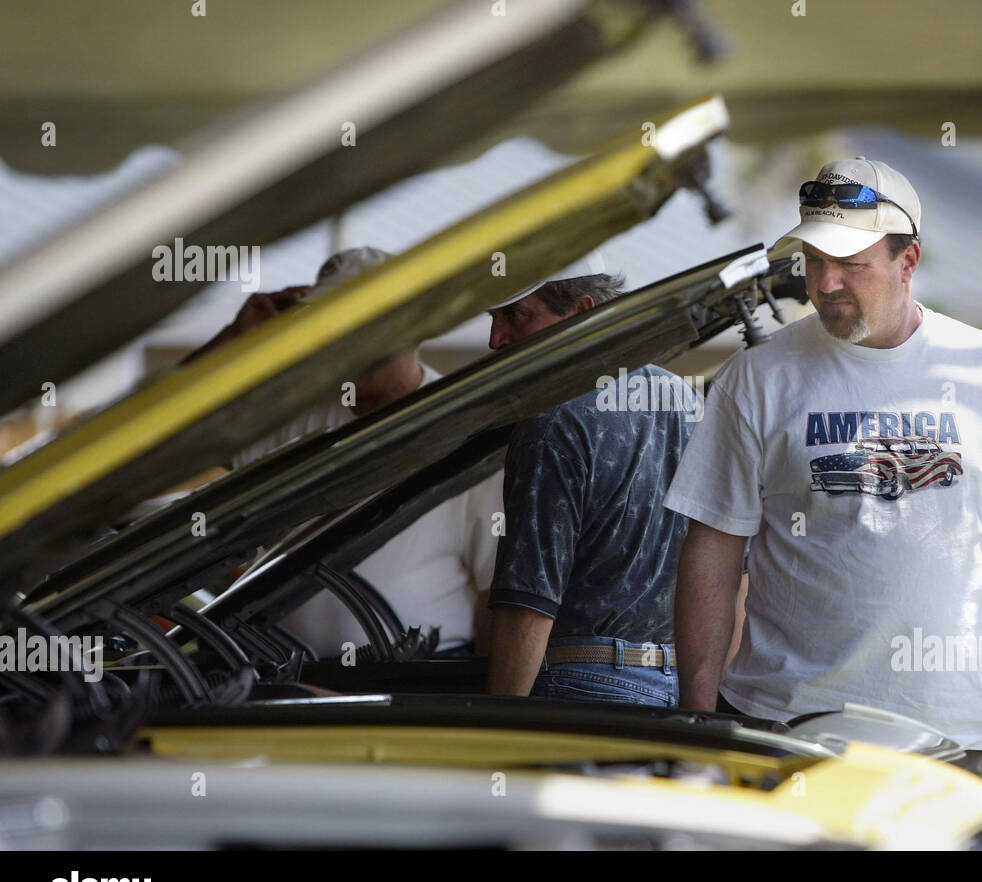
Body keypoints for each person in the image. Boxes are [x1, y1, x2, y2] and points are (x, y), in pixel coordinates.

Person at [664, 157, 982, 848]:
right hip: (781, 741)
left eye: (850, 263)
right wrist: (693, 719)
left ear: (907, 260)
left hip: (948, 749)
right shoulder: (756, 378)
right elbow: (713, 551)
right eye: (811, 261)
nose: (825, 283)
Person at [189, 247, 502, 656]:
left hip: (413, 689)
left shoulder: (466, 430)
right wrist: (232, 340)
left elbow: (500, 591)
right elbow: (157, 442)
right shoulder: (282, 416)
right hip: (276, 682)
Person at [483, 269, 696, 707]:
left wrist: (499, 728)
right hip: (679, 687)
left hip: (582, 687)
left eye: (515, 315)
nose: (496, 339)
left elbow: (529, 597)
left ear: (581, 312)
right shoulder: (686, 400)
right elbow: (735, 573)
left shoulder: (551, 420)